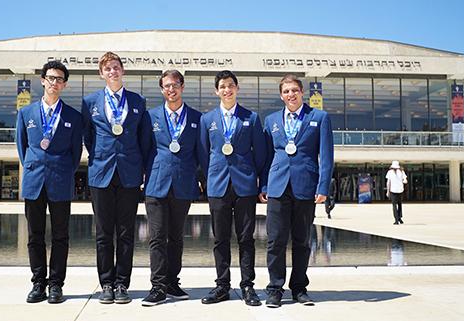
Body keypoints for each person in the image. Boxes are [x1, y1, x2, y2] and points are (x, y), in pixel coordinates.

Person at [81, 52, 151, 304]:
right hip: (101, 172)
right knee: (103, 233)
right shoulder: (90, 102)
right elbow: (88, 137)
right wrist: (100, 155)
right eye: (107, 68)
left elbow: (143, 139)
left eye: (116, 67)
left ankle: (122, 284)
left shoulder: (137, 101)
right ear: (101, 73)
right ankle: (106, 284)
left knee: (125, 232)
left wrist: (139, 165)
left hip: (129, 172)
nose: (112, 71)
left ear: (123, 71)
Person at [259, 74, 334, 307]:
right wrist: (263, 185)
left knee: (302, 241)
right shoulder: (271, 120)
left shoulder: (319, 117)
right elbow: (266, 157)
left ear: (302, 92)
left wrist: (323, 186)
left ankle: (299, 288)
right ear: (281, 95)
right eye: (286, 91)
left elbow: (327, 156)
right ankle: (274, 288)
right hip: (278, 187)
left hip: (305, 186)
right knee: (275, 241)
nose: (290, 95)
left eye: (294, 90)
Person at [16, 60, 83, 304]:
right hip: (34, 182)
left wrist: (61, 170)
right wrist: (36, 167)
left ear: (64, 85)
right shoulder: (26, 114)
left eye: (60, 79)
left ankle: (56, 284)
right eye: (51, 78)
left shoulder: (73, 117)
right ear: (43, 80)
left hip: (60, 181)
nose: (55, 83)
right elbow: (22, 149)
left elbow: (76, 154)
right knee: (34, 236)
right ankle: (38, 283)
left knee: (60, 236)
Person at [199, 70, 266, 306]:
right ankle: (222, 286)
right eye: (222, 86)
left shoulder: (251, 118)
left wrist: (255, 178)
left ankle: (248, 286)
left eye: (230, 85)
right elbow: (203, 153)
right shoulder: (207, 120)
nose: (227, 90)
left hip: (244, 185)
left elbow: (260, 154)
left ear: (237, 88)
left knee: (246, 238)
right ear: (216, 91)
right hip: (218, 185)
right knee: (220, 239)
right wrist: (210, 177)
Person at [140, 70, 202, 306]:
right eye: (166, 86)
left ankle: (172, 282)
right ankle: (157, 286)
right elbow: (145, 149)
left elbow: (200, 153)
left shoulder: (197, 118)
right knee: (157, 236)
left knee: (176, 237)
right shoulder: (150, 117)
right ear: (162, 89)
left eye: (175, 85)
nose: (171, 89)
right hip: (156, 183)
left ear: (182, 86)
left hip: (183, 183)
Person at [386, 160, 407, 225]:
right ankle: (400, 218)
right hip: (400, 190)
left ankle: (396, 220)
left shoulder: (389, 172)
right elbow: (405, 181)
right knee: (400, 204)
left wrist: (387, 191)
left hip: (393, 190)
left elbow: (388, 182)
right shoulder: (401, 171)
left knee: (394, 205)